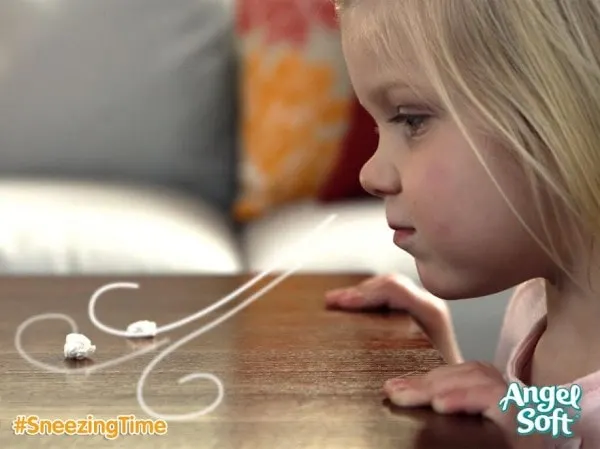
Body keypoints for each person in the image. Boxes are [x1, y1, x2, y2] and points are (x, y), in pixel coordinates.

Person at [324, 1, 600, 447]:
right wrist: (449, 370)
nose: (370, 174)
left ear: (562, 106)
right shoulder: (533, 313)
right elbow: (544, 418)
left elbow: (559, 424)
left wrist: (525, 425)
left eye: (410, 119)